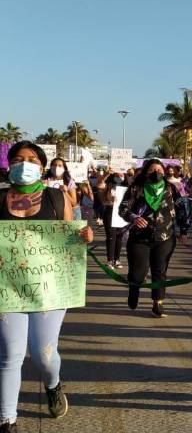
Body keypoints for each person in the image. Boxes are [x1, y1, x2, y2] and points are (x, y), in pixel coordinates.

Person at [0, 141, 93, 431]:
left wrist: (84, 238)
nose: (24, 163)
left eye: (31, 159)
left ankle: (53, 384)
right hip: (8, 289)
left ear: (42, 166)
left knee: (43, 354)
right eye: (17, 158)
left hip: (50, 290)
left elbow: (70, 238)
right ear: (9, 165)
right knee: (10, 354)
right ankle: (7, 420)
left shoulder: (57, 197)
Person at [118, 159, 189, 318]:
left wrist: (183, 230)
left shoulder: (171, 189)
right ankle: (134, 289)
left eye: (159, 170)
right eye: (152, 170)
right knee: (138, 272)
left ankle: (158, 302)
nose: (157, 172)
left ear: (164, 172)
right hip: (139, 238)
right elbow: (122, 209)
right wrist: (134, 217)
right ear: (145, 172)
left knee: (160, 271)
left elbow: (181, 209)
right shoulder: (136, 188)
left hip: (165, 237)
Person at [103, 172, 126, 269]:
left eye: (121, 175)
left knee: (119, 237)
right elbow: (100, 184)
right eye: (117, 175)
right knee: (111, 237)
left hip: (122, 213)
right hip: (110, 211)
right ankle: (110, 260)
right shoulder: (108, 186)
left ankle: (117, 259)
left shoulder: (127, 187)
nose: (119, 177)